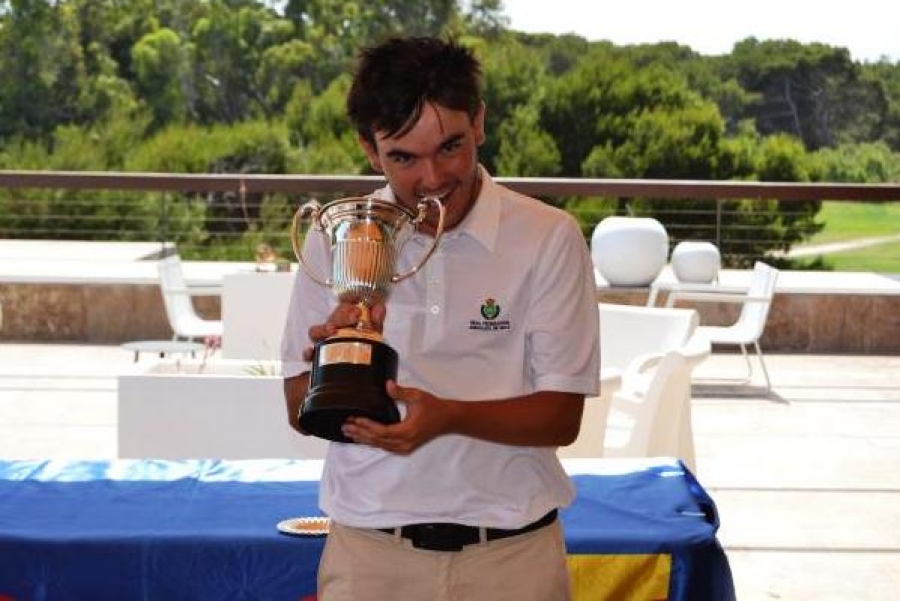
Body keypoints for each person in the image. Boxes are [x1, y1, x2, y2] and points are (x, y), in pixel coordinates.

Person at [282, 36, 599, 601]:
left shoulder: (548, 236)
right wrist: (338, 363)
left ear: (479, 122)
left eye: (450, 147)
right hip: (369, 554)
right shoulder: (339, 236)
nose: (432, 178)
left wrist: (447, 417)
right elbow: (298, 410)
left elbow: (561, 416)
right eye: (403, 157)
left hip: (512, 555)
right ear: (369, 148)